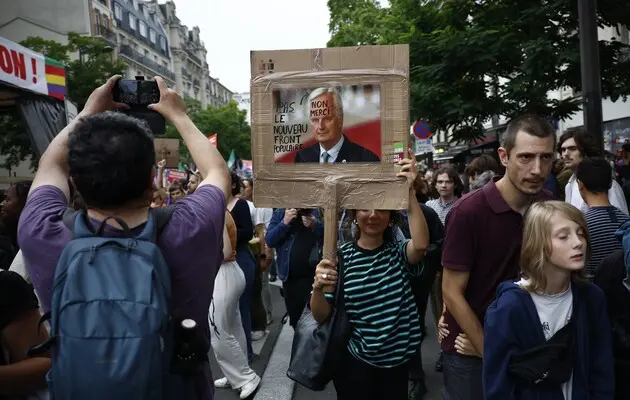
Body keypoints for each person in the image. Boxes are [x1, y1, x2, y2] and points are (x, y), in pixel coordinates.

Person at [17, 75, 230, 399]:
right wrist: (178, 115)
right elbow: (216, 171)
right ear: (151, 179)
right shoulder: (191, 227)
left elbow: (50, 165)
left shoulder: (42, 231)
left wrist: (87, 112)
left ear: (75, 179)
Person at [440, 115, 555, 400]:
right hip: (471, 351)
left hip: (526, 346)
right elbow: (451, 292)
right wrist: (487, 347)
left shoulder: (548, 205)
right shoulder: (468, 212)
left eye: (546, 157)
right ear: (503, 156)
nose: (537, 169)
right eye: (526, 157)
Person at [310, 148, 429, 400]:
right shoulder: (340, 258)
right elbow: (321, 314)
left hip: (397, 365)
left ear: (390, 217)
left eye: (381, 209)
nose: (373, 215)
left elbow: (420, 245)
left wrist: (409, 192)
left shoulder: (398, 252)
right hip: (355, 363)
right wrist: (318, 287)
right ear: (354, 215)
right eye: (364, 208)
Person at [483, 201, 614, 399]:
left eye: (580, 233)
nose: (578, 242)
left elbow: (601, 368)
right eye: (563, 236)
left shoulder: (592, 298)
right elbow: (498, 385)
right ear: (539, 244)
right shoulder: (509, 308)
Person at [211, 211, 261, 399]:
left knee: (217, 329)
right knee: (232, 326)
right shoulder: (221, 210)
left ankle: (245, 377)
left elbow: (224, 252)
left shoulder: (218, 213)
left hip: (224, 272)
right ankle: (235, 374)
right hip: (228, 272)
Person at [294, 87, 380, 163]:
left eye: (327, 119)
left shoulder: (367, 160)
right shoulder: (302, 158)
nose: (320, 126)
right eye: (315, 120)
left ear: (340, 119)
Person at [559, 127, 628, 214]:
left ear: (585, 151)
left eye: (572, 149)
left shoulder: (607, 184)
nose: (566, 154)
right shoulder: (570, 185)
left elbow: (622, 222)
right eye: (563, 150)